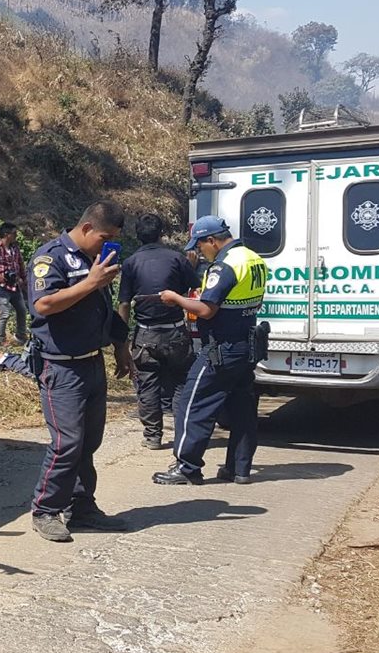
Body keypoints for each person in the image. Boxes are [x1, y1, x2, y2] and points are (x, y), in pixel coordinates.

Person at [27, 201, 133, 542]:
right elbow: (43, 305)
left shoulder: (93, 260)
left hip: (92, 362)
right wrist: (90, 282)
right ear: (87, 228)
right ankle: (45, 510)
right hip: (60, 368)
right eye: (106, 237)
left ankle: (82, 507)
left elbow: (102, 307)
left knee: (89, 441)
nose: (108, 244)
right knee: (66, 442)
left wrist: (120, 345)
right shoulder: (50, 257)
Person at [151, 216, 267, 486]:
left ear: (211, 240)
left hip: (221, 348)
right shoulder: (253, 259)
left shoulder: (224, 265)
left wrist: (176, 299)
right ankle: (239, 468)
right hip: (247, 345)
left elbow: (206, 309)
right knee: (242, 408)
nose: (199, 252)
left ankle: (187, 468)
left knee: (194, 404)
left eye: (200, 246)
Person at [117, 214, 200, 451]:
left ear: (137, 236)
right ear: (161, 233)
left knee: (148, 385)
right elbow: (193, 287)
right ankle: (183, 434)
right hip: (175, 334)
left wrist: (122, 340)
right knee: (180, 383)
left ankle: (153, 437)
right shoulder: (176, 258)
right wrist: (191, 266)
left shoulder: (131, 263)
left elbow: (124, 303)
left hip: (145, 335)